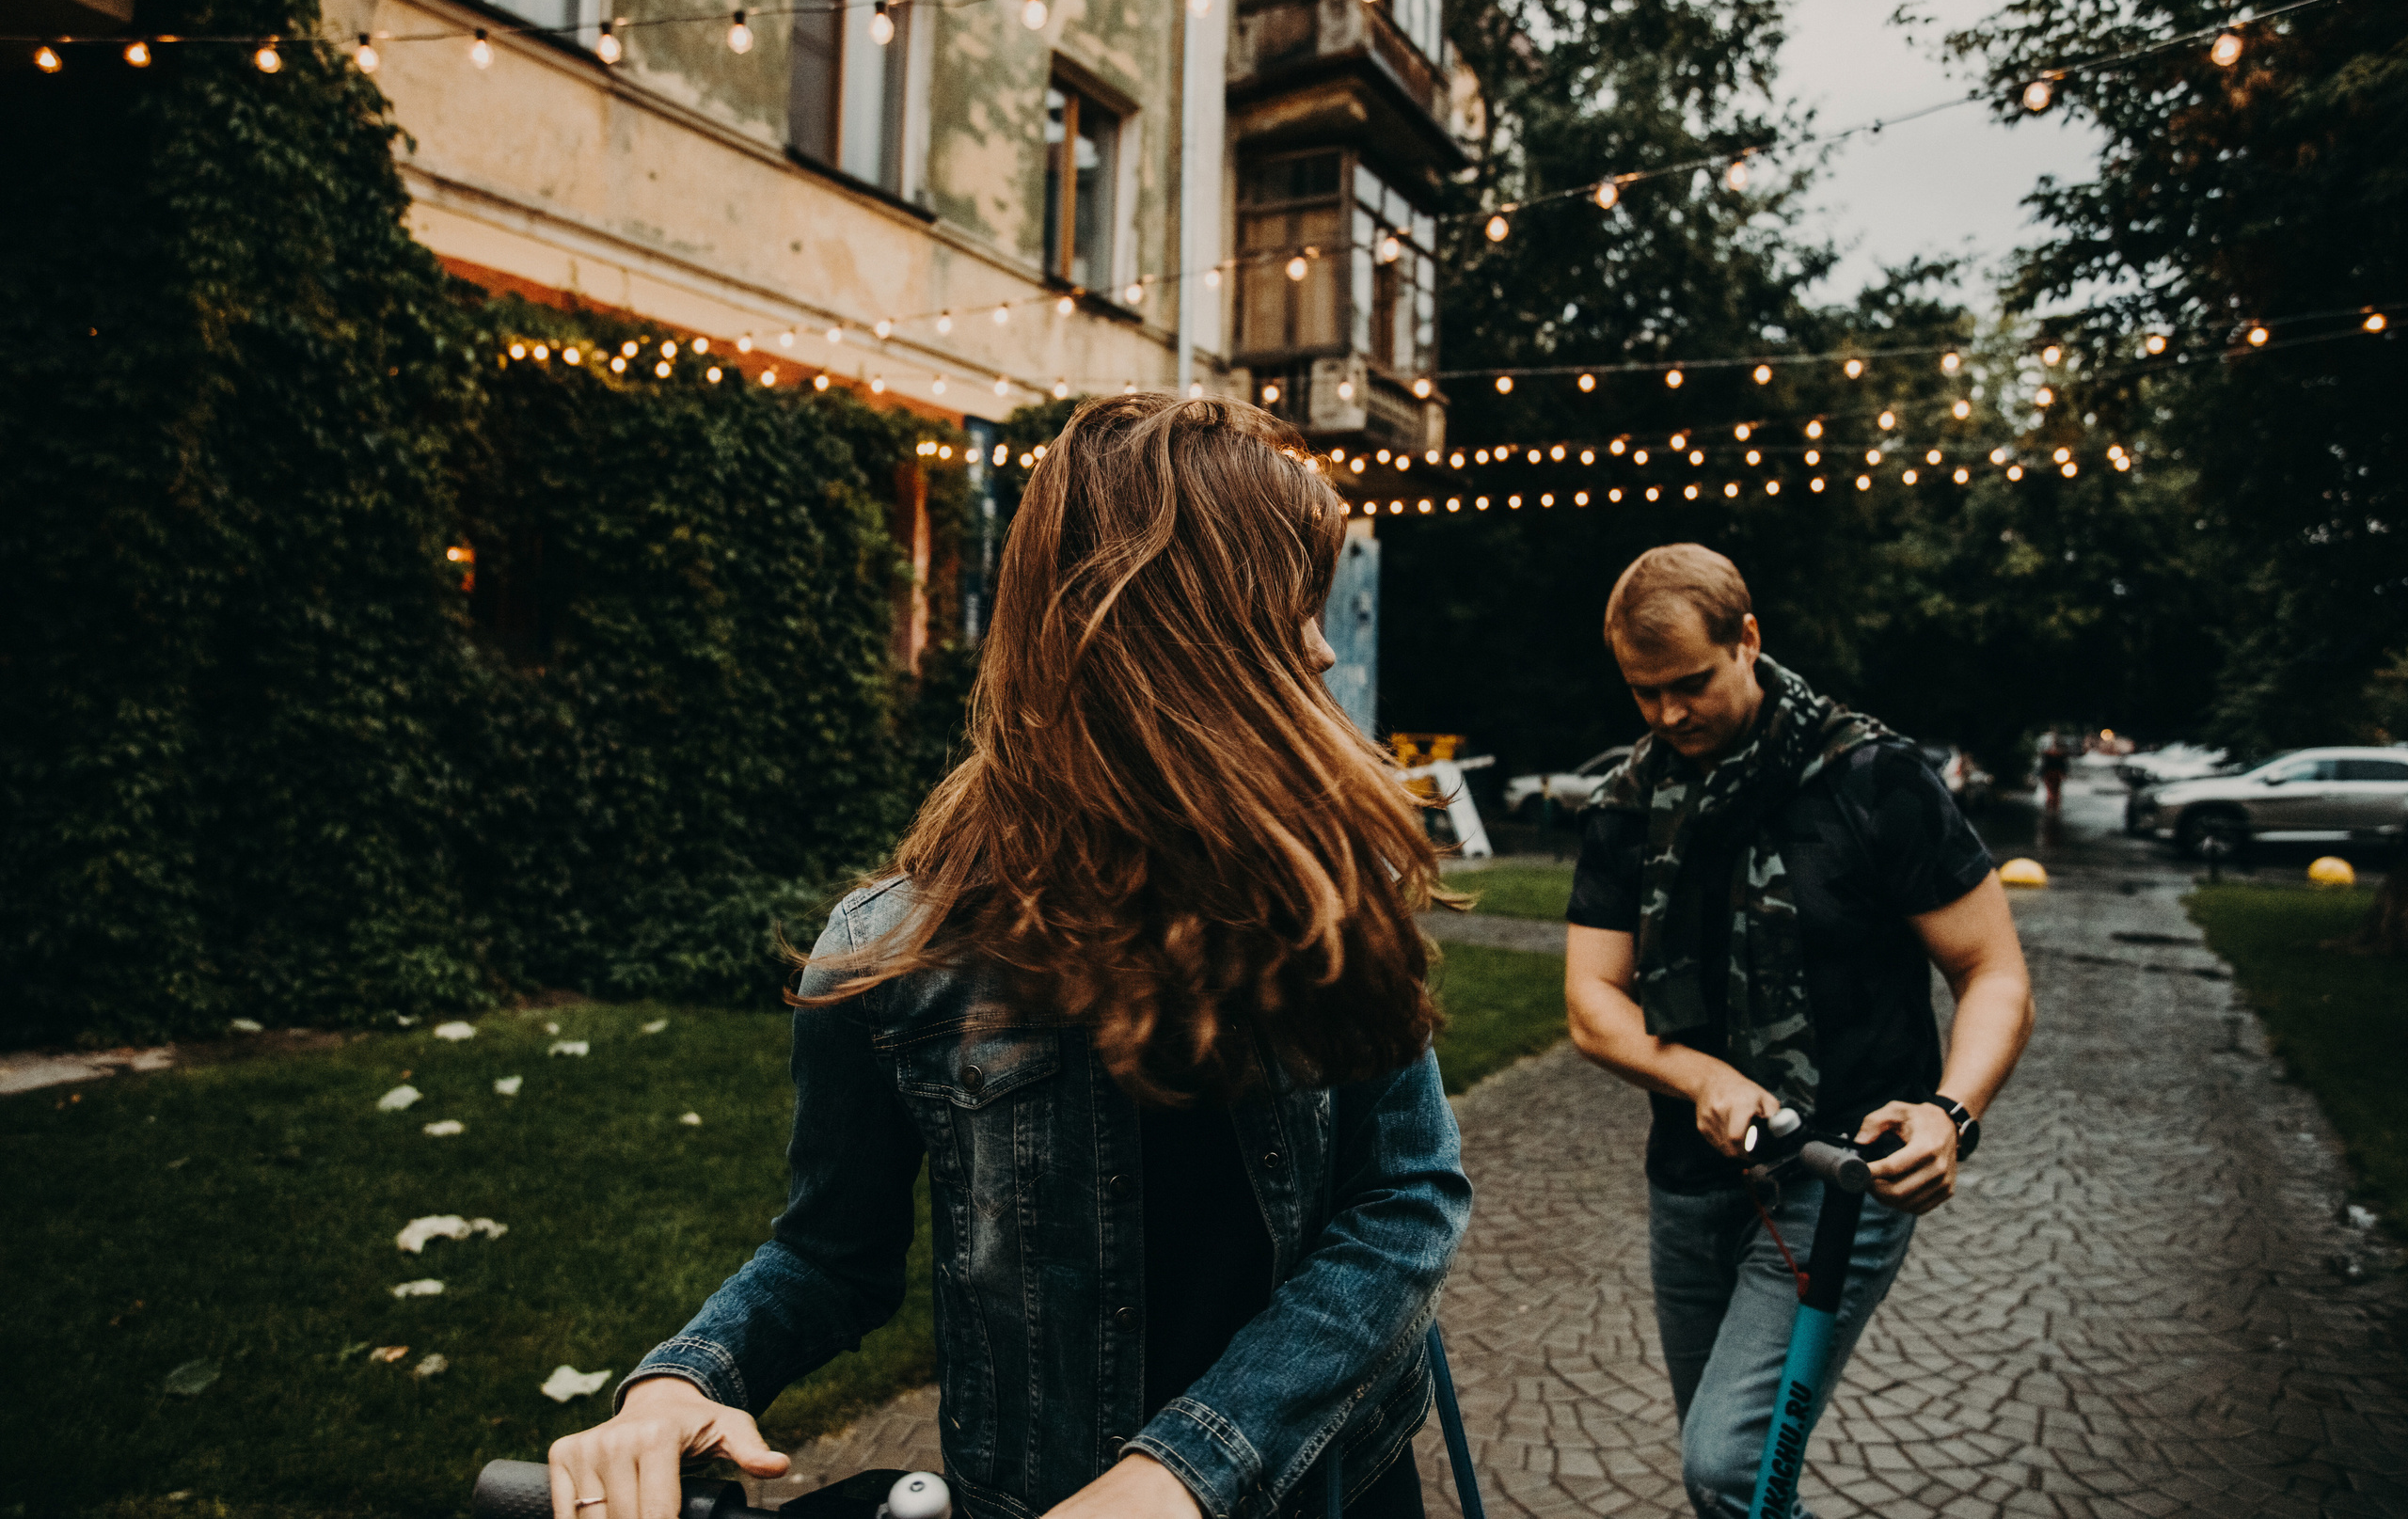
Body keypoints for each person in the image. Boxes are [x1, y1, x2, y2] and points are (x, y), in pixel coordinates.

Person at [546, 395, 1472, 1519]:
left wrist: (1185, 1470)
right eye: (1292, 602)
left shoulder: (1325, 885)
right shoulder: (890, 951)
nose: (1324, 643)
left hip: (1331, 1490)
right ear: (1179, 633)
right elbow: (830, 1255)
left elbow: (1404, 1200)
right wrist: (678, 1381)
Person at [1560, 545, 2035, 1519]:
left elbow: (1992, 972)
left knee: (1729, 1469)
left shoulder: (1873, 780)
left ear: (1749, 640)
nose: (1667, 716)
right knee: (1733, 1486)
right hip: (1691, 1184)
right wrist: (1700, 1079)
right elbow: (1591, 1003)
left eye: (1689, 684)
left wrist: (1953, 1112)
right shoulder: (1625, 805)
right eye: (1642, 694)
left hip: (1844, 1177)